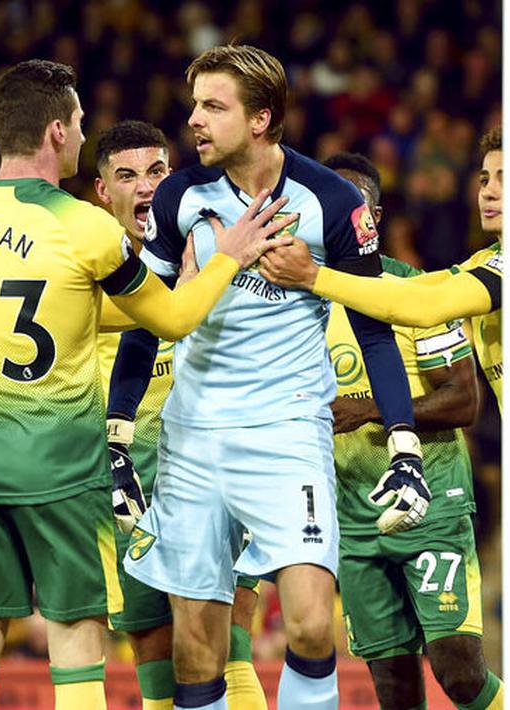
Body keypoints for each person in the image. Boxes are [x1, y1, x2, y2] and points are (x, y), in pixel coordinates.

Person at [0, 59, 295, 710]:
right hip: (67, 472)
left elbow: (75, 308)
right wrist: (229, 259)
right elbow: (170, 318)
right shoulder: (83, 226)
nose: (79, 130)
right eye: (76, 121)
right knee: (78, 655)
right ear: (56, 132)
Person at [259, 128, 510, 710]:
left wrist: (314, 276)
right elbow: (415, 289)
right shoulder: (485, 264)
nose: (489, 190)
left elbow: (423, 305)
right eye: (485, 178)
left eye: (507, 179)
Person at [109, 45, 428, 710]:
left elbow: (373, 327)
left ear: (259, 119)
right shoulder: (179, 196)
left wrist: (404, 440)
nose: (193, 120)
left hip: (287, 430)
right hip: (194, 436)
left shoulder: (330, 200)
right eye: (195, 104)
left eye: (212, 106)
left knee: (310, 622)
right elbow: (145, 322)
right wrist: (118, 433)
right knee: (197, 644)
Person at [93, 120, 267, 710]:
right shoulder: (86, 268)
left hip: (214, 462)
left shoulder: (219, 245)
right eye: (127, 176)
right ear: (103, 192)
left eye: (156, 171)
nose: (145, 187)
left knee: (228, 636)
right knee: (153, 649)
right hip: (128, 479)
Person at [321, 152, 504, 710]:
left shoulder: (415, 292)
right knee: (394, 690)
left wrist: (368, 410)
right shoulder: (300, 303)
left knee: (460, 674)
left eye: (351, 204)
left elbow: (464, 399)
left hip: (430, 506)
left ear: (373, 217)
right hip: (352, 519)